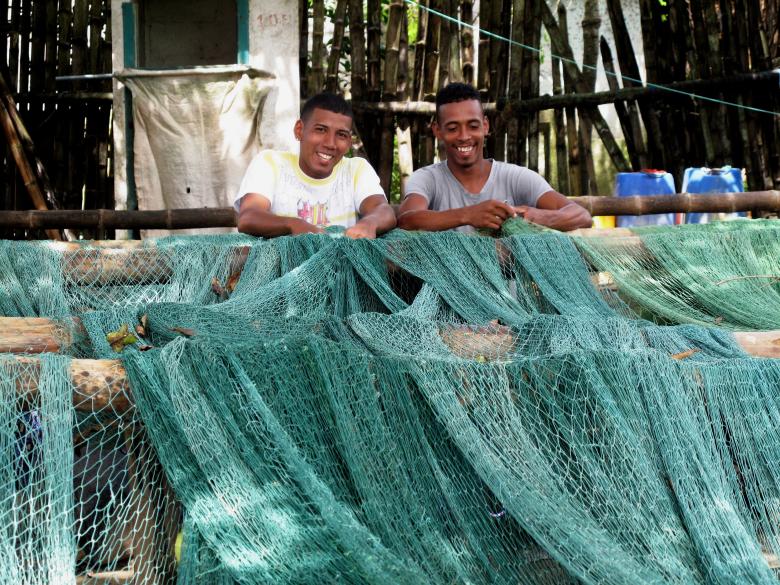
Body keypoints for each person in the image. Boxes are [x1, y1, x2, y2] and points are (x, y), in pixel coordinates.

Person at [397, 83, 592, 233]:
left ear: (485, 126)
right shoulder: (426, 178)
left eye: (473, 126)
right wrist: (468, 215)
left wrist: (532, 217)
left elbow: (581, 215)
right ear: (437, 131)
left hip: (507, 287)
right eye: (452, 128)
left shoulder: (517, 177)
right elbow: (406, 219)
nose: (464, 136)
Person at [235, 92, 396, 239]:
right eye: (320, 130)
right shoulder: (270, 164)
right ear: (299, 130)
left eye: (341, 134)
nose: (330, 144)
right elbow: (248, 217)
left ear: (348, 141)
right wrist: (294, 225)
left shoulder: (357, 170)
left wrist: (369, 224)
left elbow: (383, 210)